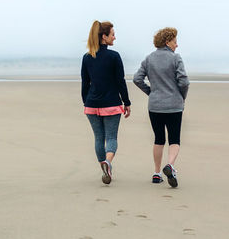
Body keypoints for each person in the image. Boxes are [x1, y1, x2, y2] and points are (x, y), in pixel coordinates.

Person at [133, 27, 189, 188]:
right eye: (175, 41)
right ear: (167, 42)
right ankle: (170, 165)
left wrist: (151, 92)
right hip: (174, 105)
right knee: (174, 139)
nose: (176, 45)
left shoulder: (149, 59)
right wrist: (181, 96)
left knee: (158, 139)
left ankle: (157, 173)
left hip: (155, 105)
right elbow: (184, 81)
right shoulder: (175, 58)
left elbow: (137, 79)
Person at [81, 20, 132, 185]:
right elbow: (120, 82)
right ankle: (108, 163)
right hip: (111, 104)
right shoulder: (114, 56)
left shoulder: (87, 57)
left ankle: (104, 169)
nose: (114, 37)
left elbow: (85, 84)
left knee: (98, 138)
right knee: (111, 137)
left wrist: (86, 103)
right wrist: (127, 102)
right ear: (104, 36)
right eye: (112, 34)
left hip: (91, 105)